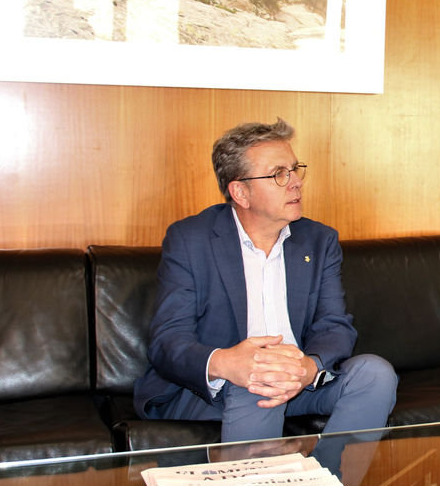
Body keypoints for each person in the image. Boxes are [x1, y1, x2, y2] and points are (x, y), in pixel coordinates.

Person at [133, 119, 397, 448]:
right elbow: (167, 341)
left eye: (295, 169)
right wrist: (229, 364)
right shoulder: (191, 239)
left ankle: (332, 477)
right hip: (209, 392)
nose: (296, 183)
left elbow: (335, 325)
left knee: (375, 374)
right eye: (279, 174)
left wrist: (307, 366)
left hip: (297, 384)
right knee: (258, 380)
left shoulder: (318, 240)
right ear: (241, 192)